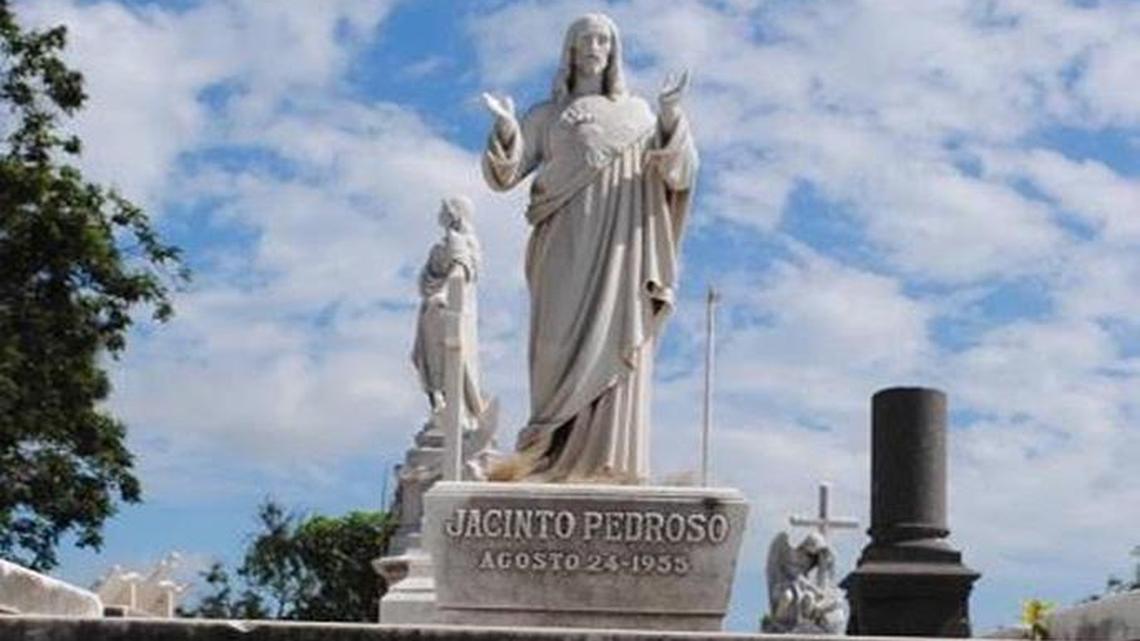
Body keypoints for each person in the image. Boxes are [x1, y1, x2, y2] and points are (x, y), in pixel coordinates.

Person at [481, 13, 698, 482]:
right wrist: (504, 130)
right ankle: (547, 453)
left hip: (621, 250)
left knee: (616, 338)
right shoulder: (546, 115)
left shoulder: (639, 114)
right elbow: (507, 173)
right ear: (572, 51)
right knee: (554, 345)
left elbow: (677, 171)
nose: (595, 47)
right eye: (586, 39)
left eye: (603, 39)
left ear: (614, 49)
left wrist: (670, 117)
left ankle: (608, 462)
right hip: (561, 246)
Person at [410, 196, 484, 428]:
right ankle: (438, 404)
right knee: (422, 356)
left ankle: (454, 408)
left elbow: (462, 272)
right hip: (431, 309)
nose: (439, 214)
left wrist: (443, 295)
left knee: (447, 357)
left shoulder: (462, 241)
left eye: (443, 210)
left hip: (446, 309)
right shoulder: (442, 245)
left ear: (454, 213)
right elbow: (425, 280)